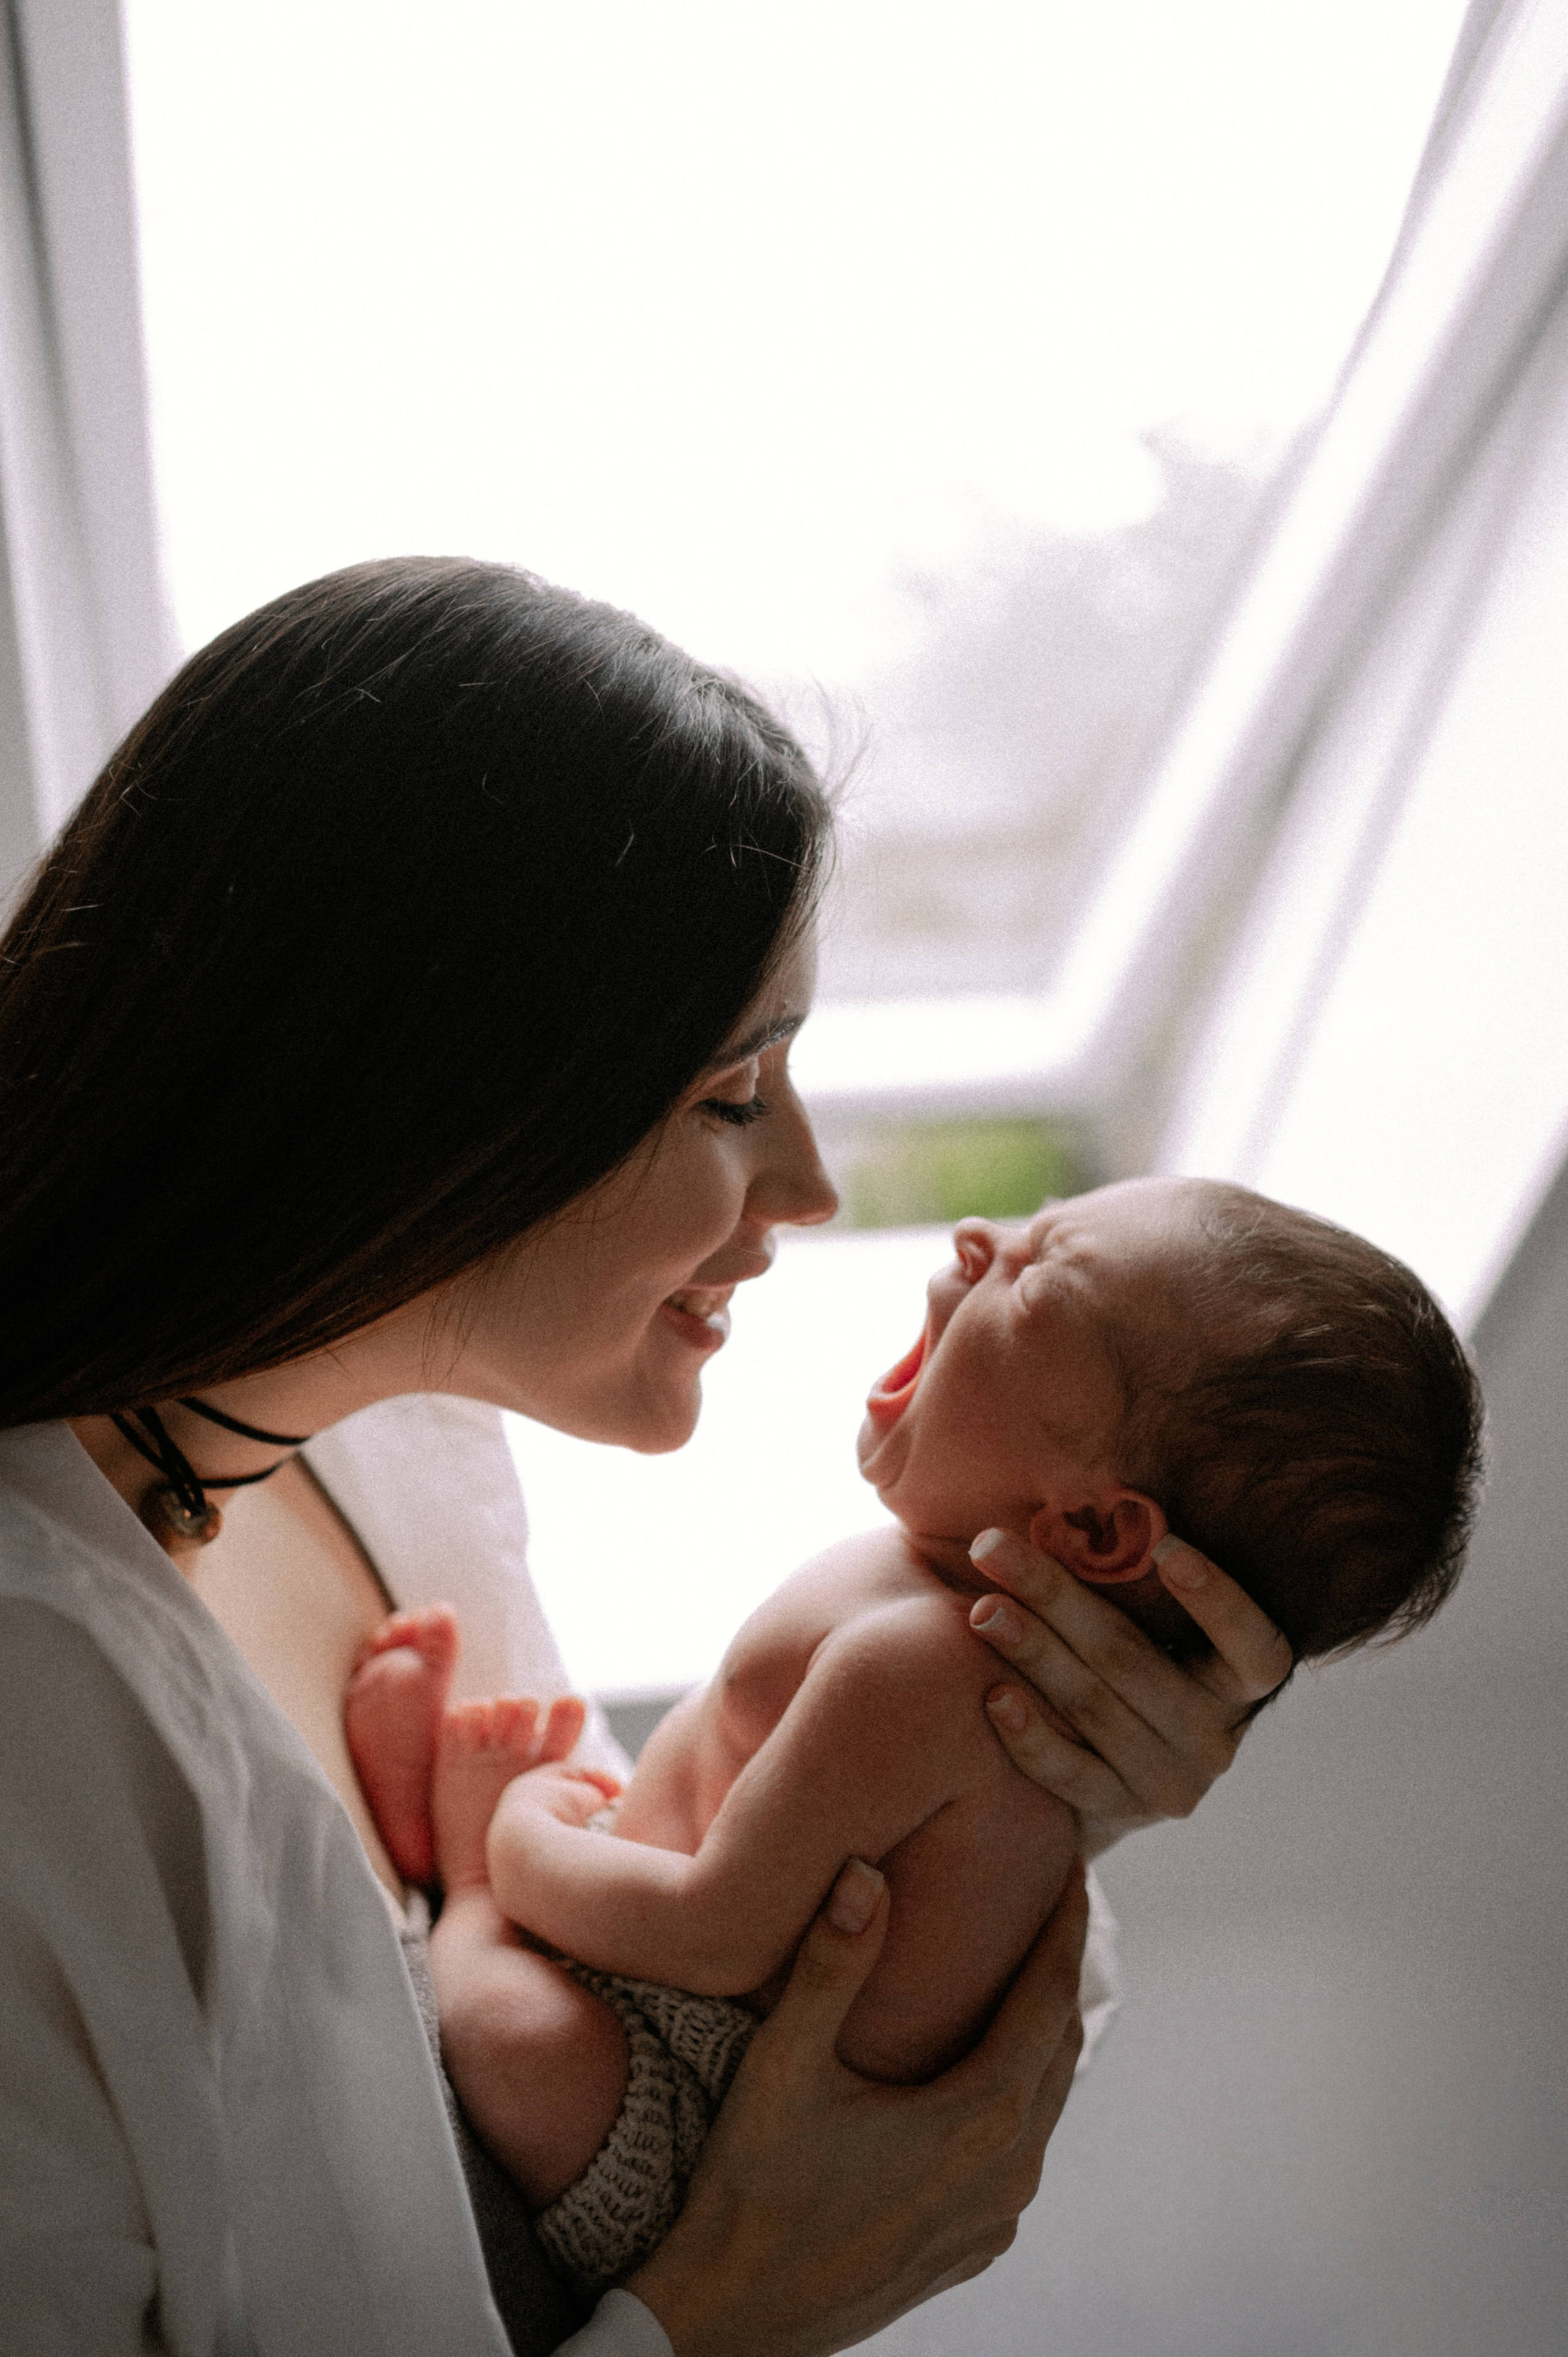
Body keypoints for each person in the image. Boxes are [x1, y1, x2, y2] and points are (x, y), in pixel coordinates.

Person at [0, 556, 1293, 2357]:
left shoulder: (393, 1447)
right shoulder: (33, 1722)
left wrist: (1043, 1767)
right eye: (731, 1096)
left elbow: (724, 1950)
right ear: (429, 1098)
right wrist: (723, 2319)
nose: (814, 1190)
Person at [342, 1173, 1484, 2295]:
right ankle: (467, 1861)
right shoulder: (925, 1593)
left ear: (1092, 1524)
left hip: (692, 2112)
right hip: (660, 1960)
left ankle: (462, 1890)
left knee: (511, 2038)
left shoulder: (932, 1667)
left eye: (1042, 1278)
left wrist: (516, 1836)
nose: (983, 1235)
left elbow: (712, 1939)